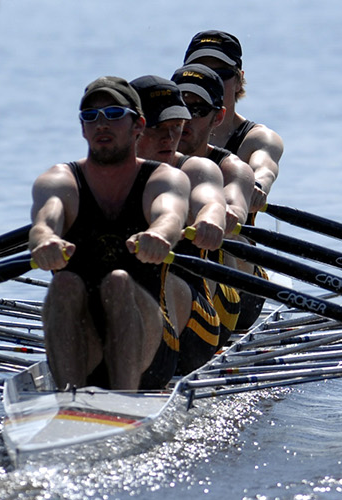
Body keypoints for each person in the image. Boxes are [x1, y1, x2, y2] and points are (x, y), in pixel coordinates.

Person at [29, 76, 193, 391]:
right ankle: (69, 403)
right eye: (90, 117)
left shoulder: (162, 178)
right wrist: (45, 240)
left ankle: (123, 400)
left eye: (114, 114)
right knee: (65, 282)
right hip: (82, 344)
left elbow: (170, 214)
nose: (101, 123)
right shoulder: (60, 179)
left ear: (138, 125)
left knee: (118, 281)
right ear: (82, 129)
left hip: (150, 349)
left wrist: (159, 234)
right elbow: (44, 220)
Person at [128, 75, 233, 373]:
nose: (170, 137)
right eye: (157, 127)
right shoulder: (98, 176)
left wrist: (210, 218)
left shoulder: (195, 168)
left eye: (176, 127)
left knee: (158, 278)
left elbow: (210, 199)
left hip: (194, 326)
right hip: (125, 310)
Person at [171, 63, 271, 333]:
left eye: (199, 110)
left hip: (224, 296)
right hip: (163, 290)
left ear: (217, 117)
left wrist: (218, 215)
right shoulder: (140, 163)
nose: (186, 119)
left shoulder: (233, 167)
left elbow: (234, 206)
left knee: (230, 239)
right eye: (180, 108)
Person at [182, 30, 284, 214]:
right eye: (200, 73)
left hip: (232, 234)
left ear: (239, 81)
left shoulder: (259, 138)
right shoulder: (161, 132)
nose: (211, 81)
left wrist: (258, 185)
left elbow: (264, 169)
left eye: (221, 73)